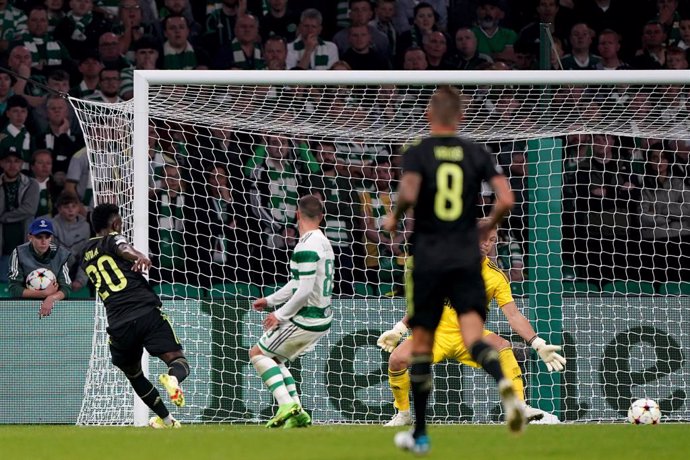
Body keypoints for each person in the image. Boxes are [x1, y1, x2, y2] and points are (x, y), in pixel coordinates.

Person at [382, 85, 524, 453]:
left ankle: (421, 434)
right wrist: (488, 222)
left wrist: (393, 218)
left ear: (430, 116)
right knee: (476, 338)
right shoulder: (477, 151)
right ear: (461, 117)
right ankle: (504, 385)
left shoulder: (419, 150)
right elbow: (506, 198)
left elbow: (409, 193)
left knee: (422, 347)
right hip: (465, 257)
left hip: (430, 254)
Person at [378, 219, 564, 427]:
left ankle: (520, 407)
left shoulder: (495, 276)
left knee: (504, 347)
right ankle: (403, 414)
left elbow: (513, 315)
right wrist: (400, 328)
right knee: (396, 359)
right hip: (435, 334)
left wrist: (537, 342)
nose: (487, 243)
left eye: (492, 239)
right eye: (483, 238)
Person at [80, 203, 190, 429]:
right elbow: (123, 248)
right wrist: (139, 255)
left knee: (135, 374)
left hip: (119, 323)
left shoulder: (84, 254)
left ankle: (167, 421)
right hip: (145, 312)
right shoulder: (114, 238)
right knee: (177, 360)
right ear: (115, 223)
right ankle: (173, 379)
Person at [249, 195, 335, 429]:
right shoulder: (323, 241)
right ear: (322, 217)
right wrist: (270, 300)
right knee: (275, 358)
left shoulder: (306, 246)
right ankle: (297, 413)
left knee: (257, 353)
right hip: (322, 316)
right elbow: (299, 282)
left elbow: (304, 291)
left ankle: (286, 404)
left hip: (308, 318)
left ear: (297, 214)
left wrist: (279, 314)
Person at [7, 217, 71, 316]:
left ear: (51, 238)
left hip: (54, 309)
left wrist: (51, 298)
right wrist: (43, 294)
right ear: (30, 237)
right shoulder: (19, 253)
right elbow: (14, 289)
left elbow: (66, 288)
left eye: (47, 236)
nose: (43, 241)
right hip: (24, 309)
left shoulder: (60, 254)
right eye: (39, 237)